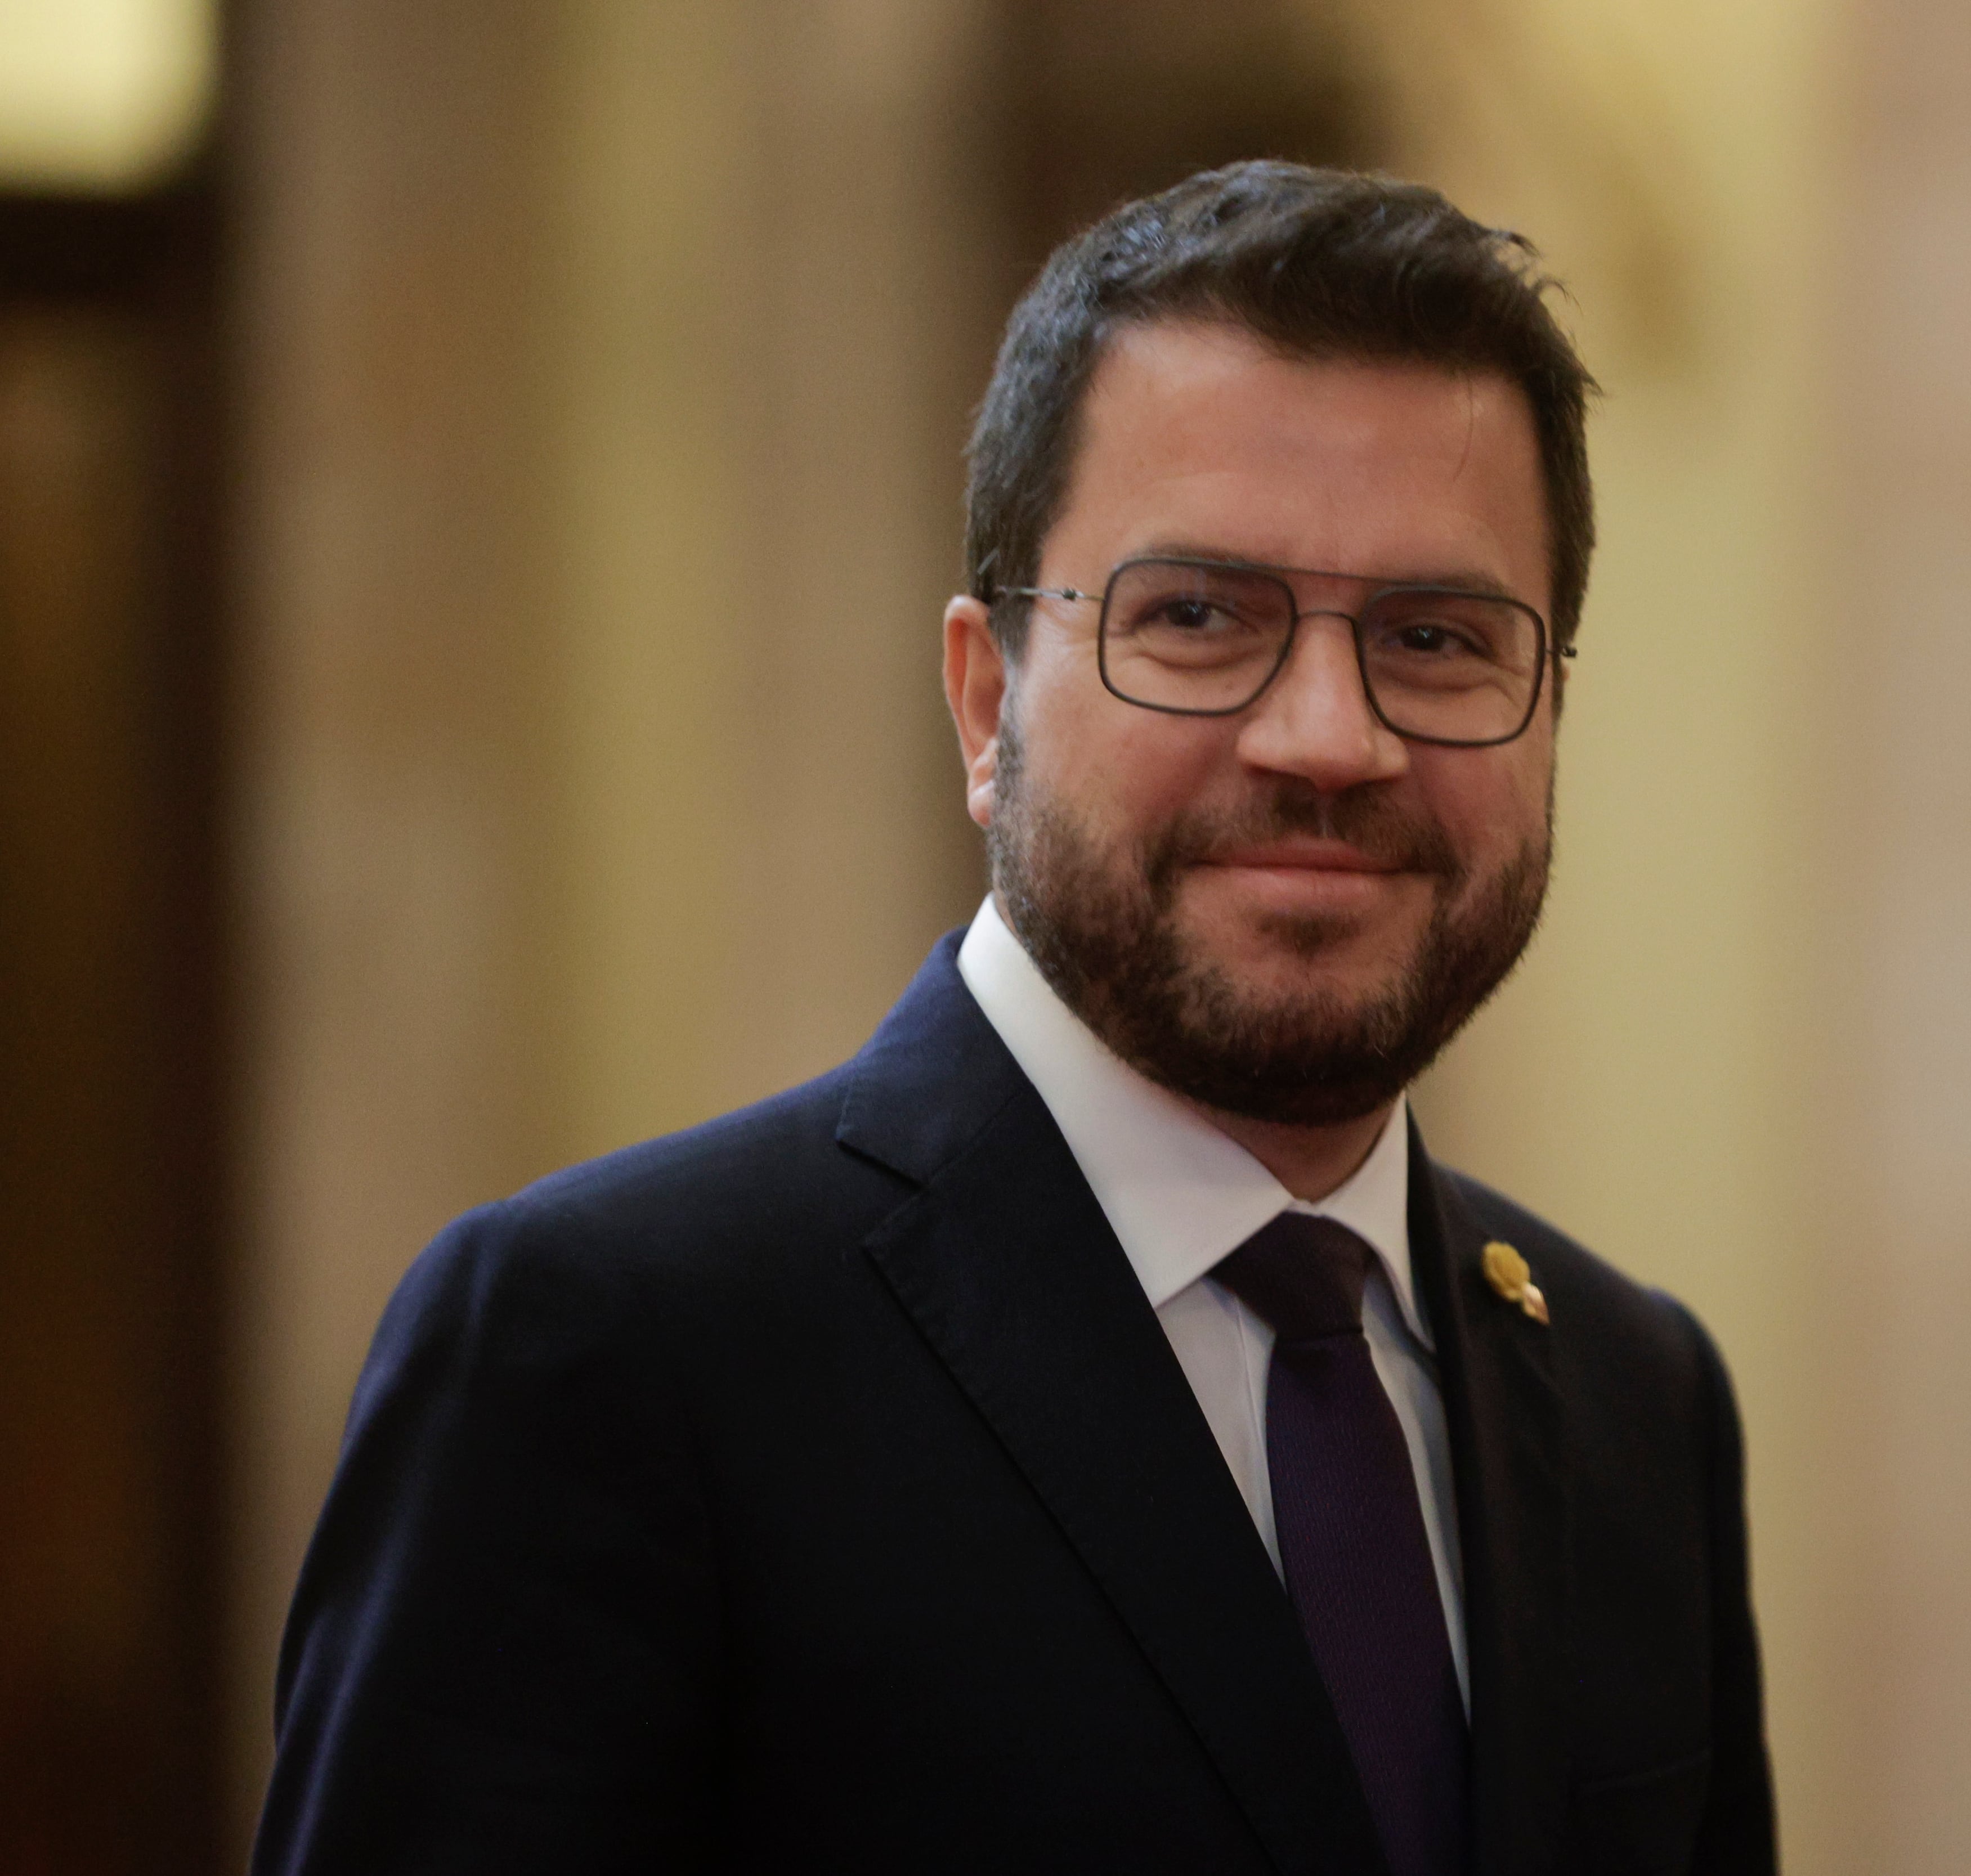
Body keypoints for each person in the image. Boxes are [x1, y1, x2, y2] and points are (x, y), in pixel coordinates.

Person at [253, 160, 1774, 1876]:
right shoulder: (608, 1358)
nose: (1332, 740)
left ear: (1548, 707)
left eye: (1437, 638)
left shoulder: (1638, 1400)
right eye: (1198, 619)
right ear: (988, 705)